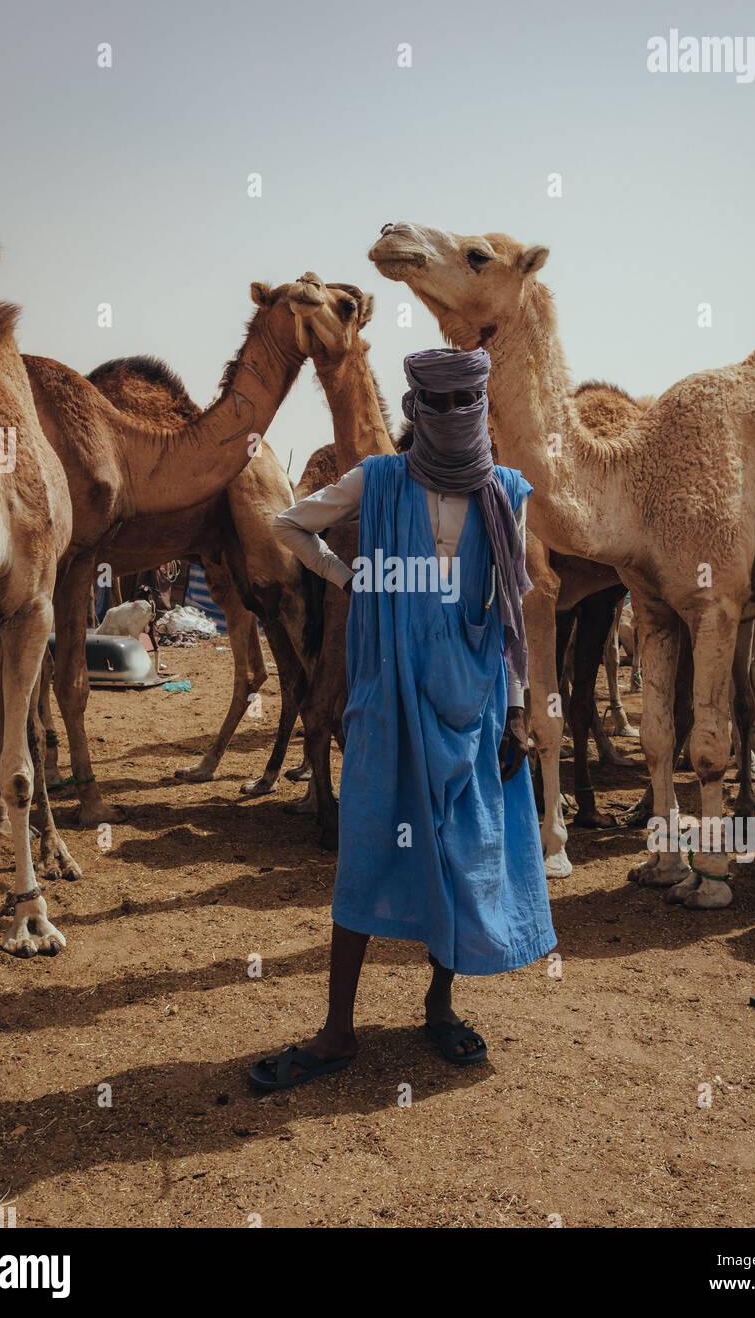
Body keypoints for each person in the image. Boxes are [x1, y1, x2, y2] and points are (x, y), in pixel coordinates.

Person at [248, 347, 555, 1091]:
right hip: (387, 693)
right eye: (436, 404)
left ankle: (439, 1006)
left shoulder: (506, 491)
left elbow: (511, 606)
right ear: (415, 406)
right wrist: (350, 577)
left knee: (457, 854)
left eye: (463, 404)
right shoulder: (378, 480)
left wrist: (517, 710)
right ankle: (336, 1030)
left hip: (473, 697)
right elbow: (291, 526)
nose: (450, 417)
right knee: (364, 850)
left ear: (480, 406)